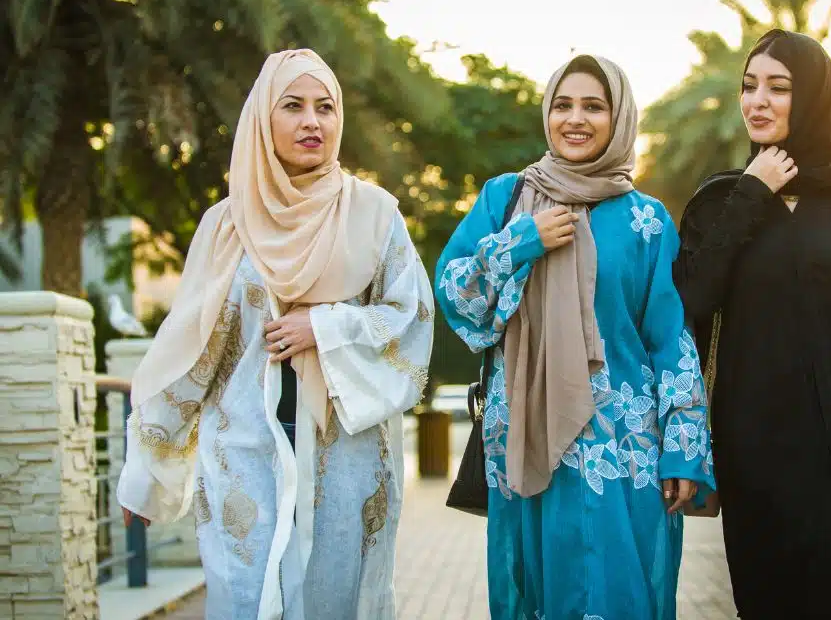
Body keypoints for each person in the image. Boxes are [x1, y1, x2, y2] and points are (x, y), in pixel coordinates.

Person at [116, 49, 433, 620]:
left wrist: (327, 326)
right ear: (263, 119)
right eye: (293, 106)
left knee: (336, 600)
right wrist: (146, 472)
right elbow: (190, 351)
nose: (313, 121)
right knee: (245, 600)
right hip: (243, 456)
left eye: (325, 107)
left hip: (348, 460)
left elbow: (411, 320)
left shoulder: (375, 214)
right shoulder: (226, 224)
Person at [435, 54, 715, 620]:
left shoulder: (648, 220)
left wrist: (684, 450)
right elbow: (454, 293)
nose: (575, 119)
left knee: (623, 594)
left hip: (623, 453)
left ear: (620, 118)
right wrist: (522, 241)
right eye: (562, 105)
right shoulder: (505, 199)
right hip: (527, 441)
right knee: (535, 595)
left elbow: (670, 339)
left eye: (594, 105)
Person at [675, 29, 831, 619]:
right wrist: (751, 195)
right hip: (759, 450)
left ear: (813, 96)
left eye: (779, 87)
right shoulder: (717, 203)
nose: (757, 100)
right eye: (749, 86)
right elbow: (691, 301)